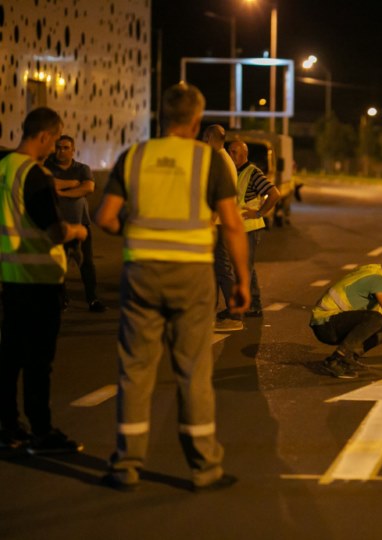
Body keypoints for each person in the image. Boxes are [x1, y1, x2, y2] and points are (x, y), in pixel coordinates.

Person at [94, 83, 250, 492]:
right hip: (192, 276)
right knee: (193, 369)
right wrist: (241, 282)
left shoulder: (135, 156)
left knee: (135, 370)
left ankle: (126, 465)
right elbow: (232, 224)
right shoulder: (209, 160)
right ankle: (204, 467)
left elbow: (105, 218)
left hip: (142, 274)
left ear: (162, 117)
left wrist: (137, 232)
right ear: (196, 121)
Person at [0, 108, 88, 454]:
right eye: (54, 141)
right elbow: (55, 232)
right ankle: (41, 432)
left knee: (9, 358)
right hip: (39, 280)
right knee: (38, 362)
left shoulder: (4, 167)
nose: (54, 149)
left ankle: (7, 427)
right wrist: (78, 231)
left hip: (10, 276)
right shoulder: (34, 175)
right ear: (44, 136)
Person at [310, 254, 382, 379]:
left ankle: (349, 357)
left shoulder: (373, 270)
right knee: (377, 319)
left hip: (332, 322)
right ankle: (336, 360)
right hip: (326, 324)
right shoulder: (378, 281)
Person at [44, 135, 106, 312]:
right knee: (58, 263)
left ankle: (92, 299)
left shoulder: (82, 168)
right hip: (57, 224)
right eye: (58, 147)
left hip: (81, 224)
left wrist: (62, 193)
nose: (61, 151)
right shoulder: (47, 167)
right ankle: (62, 299)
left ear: (73, 150)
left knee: (86, 263)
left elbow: (88, 187)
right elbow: (49, 184)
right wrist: (73, 183)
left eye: (65, 148)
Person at [226, 139, 280, 318]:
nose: (230, 154)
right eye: (229, 151)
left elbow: (274, 194)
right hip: (238, 228)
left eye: (234, 152)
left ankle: (244, 307)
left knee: (244, 268)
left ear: (244, 154)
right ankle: (254, 305)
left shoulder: (253, 172)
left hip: (250, 228)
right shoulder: (234, 171)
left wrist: (259, 213)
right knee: (246, 266)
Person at [201, 125, 243, 332]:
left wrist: (210, 221)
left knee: (223, 269)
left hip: (219, 224)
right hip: (219, 223)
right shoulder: (222, 159)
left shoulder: (221, 161)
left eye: (204, 138)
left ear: (210, 138)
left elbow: (220, 195)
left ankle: (235, 315)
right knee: (216, 269)